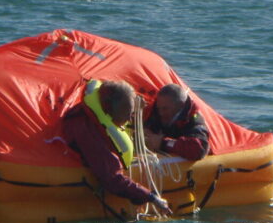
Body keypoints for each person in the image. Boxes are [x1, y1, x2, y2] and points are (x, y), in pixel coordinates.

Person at [62, 79, 171, 215]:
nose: (130, 120)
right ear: (111, 111)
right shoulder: (89, 133)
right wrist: (151, 197)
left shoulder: (102, 109)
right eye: (127, 115)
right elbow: (112, 179)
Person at [144, 83, 210, 160]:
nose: (161, 113)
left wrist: (163, 143)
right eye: (159, 108)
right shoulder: (153, 110)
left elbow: (199, 149)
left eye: (165, 109)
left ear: (180, 106)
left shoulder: (193, 120)